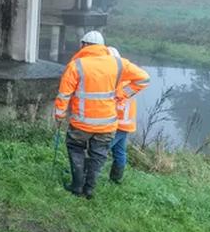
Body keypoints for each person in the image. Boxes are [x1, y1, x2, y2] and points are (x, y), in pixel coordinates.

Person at [53, 31, 150, 199]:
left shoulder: (76, 65)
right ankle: (89, 189)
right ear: (102, 46)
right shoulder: (118, 63)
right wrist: (121, 93)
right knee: (98, 156)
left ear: (83, 45)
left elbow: (64, 95)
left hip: (81, 123)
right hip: (107, 125)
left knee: (76, 150)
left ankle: (77, 186)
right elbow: (144, 79)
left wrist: (59, 116)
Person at [107, 46, 138, 184]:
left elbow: (114, 103)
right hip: (126, 124)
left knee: (100, 150)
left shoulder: (117, 83)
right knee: (119, 151)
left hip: (117, 124)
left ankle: (86, 173)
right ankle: (116, 178)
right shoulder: (128, 80)